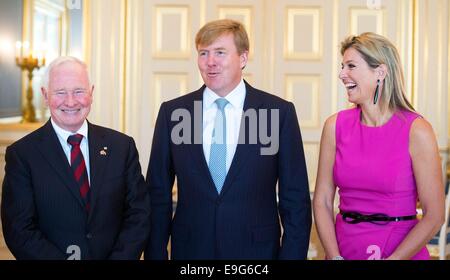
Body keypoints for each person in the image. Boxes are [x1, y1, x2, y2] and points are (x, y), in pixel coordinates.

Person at [145, 19, 311, 260]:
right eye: (204, 53)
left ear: (243, 58)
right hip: (191, 252)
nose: (210, 61)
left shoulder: (277, 113)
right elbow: (157, 195)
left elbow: (295, 200)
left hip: (257, 253)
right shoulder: (174, 113)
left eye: (220, 53)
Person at [1, 56, 151, 260]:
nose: (70, 101)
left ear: (91, 93)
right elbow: (19, 230)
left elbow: (139, 214)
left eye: (79, 91)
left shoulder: (122, 147)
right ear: (45, 95)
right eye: (60, 92)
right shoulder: (22, 155)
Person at [313, 32, 445, 260]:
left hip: (399, 252)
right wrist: (333, 255)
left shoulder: (417, 130)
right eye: (342, 66)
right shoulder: (335, 126)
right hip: (344, 250)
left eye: (351, 66)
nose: (341, 74)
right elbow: (323, 199)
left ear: (380, 73)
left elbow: (435, 215)